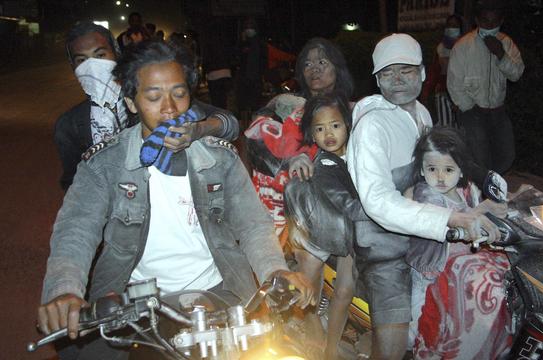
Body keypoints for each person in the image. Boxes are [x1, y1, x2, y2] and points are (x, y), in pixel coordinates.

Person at [37, 40, 314, 359]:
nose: (169, 108)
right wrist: (65, 291)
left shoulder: (220, 157)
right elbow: (75, 231)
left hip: (220, 293)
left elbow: (252, 224)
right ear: (131, 103)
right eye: (153, 96)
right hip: (134, 303)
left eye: (179, 94)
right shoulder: (105, 163)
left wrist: (275, 271)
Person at [346, 33, 503, 359]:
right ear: (377, 80)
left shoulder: (421, 113)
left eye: (406, 70)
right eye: (387, 73)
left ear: (421, 73)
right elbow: (377, 200)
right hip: (382, 244)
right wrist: (449, 218)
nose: (398, 79)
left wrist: (481, 186)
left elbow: (439, 168)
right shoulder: (372, 126)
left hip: (425, 236)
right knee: (395, 344)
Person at [55, 22, 239, 190]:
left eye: (100, 55)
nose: (93, 66)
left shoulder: (150, 99)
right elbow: (73, 183)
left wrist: (198, 129)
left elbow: (230, 124)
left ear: (116, 54)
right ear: (73, 67)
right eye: (82, 60)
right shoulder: (69, 125)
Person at [405, 127, 511, 359]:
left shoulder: (467, 190)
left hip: (465, 270)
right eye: (432, 169)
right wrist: (484, 209)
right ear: (422, 170)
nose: (440, 177)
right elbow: (455, 219)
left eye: (449, 169)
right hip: (432, 275)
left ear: (461, 169)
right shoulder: (426, 194)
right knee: (426, 329)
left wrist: (504, 208)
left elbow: (479, 211)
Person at [244, 37, 354, 236]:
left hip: (336, 190)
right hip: (292, 186)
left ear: (337, 68)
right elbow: (255, 139)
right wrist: (292, 158)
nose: (314, 69)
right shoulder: (286, 104)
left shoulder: (351, 109)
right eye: (307, 64)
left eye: (322, 62)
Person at [285, 93, 366, 359]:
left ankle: (331, 347)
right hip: (315, 230)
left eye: (335, 125)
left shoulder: (361, 153)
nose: (328, 133)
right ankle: (315, 339)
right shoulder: (315, 161)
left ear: (347, 124)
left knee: (344, 289)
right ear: (311, 132)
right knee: (308, 287)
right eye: (319, 128)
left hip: (349, 233)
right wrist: (295, 161)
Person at [447, 0, 524, 174]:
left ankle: (488, 185)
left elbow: (517, 73)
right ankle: (483, 191)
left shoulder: (506, 43)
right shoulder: (463, 46)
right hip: (472, 110)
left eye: (494, 21)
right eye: (485, 21)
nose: (490, 25)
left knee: (506, 155)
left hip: (497, 109)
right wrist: (468, 108)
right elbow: (454, 83)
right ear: (477, 20)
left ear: (501, 21)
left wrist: (501, 55)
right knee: (479, 156)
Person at [420, 15, 463, 127]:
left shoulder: (466, 47)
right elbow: (435, 71)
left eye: (455, 26)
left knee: (462, 128)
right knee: (446, 129)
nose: (451, 28)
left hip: (463, 95)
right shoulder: (441, 48)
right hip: (443, 93)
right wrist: (425, 92)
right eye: (449, 25)